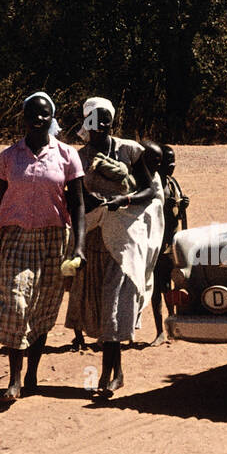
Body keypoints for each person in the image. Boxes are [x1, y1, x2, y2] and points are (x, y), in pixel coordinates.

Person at [0, 91, 85, 403]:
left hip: (53, 239)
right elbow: (0, 203)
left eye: (45, 115)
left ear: (52, 118)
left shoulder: (67, 155)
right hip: (15, 238)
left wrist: (78, 248)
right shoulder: (9, 157)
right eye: (33, 115)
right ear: (23, 119)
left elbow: (77, 206)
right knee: (16, 303)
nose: (39, 119)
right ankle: (13, 379)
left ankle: (32, 374)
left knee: (42, 309)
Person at [63, 97, 157, 395]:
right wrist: (88, 202)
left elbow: (150, 191)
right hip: (92, 238)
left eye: (107, 118)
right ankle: (115, 371)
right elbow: (72, 199)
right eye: (95, 118)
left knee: (112, 301)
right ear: (86, 121)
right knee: (100, 305)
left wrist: (124, 200)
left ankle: (109, 374)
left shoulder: (129, 150)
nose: (102, 123)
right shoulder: (77, 157)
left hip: (124, 238)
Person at [149, 144, 189, 346]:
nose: (172, 166)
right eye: (168, 162)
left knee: (173, 285)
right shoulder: (155, 184)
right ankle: (159, 331)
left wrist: (182, 204)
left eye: (174, 162)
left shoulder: (172, 182)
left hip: (173, 242)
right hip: (158, 243)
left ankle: (171, 325)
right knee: (158, 287)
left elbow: (178, 211)